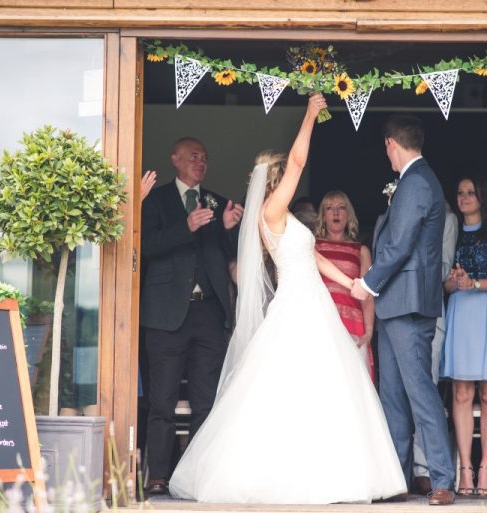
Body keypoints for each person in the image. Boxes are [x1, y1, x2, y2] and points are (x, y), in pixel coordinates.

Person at [168, 94, 406, 504]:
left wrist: (352, 283)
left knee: (321, 389)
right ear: (278, 180)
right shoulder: (272, 211)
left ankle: (325, 473)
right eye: (288, 175)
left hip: (314, 302)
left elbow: (312, 255)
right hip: (298, 308)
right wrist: (310, 116)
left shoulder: (288, 218)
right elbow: (298, 162)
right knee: (296, 388)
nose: (295, 176)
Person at [351, 114, 456, 506]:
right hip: (396, 304)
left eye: (387, 150)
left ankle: (442, 478)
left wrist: (367, 282)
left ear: (391, 144)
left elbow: (399, 244)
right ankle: (398, 477)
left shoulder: (416, 182)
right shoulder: (415, 181)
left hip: (409, 303)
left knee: (420, 392)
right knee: (393, 394)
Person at [140, 136, 244, 495]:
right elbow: (146, 248)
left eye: (205, 157)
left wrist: (229, 229)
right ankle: (158, 475)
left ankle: (194, 475)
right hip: (166, 314)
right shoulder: (155, 200)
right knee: (162, 401)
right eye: (194, 156)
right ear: (176, 159)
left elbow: (227, 255)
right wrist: (186, 227)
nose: (201, 162)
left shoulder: (215, 201)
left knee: (205, 401)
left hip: (209, 313)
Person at [439, 177, 487, 497]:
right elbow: (442, 284)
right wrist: (455, 283)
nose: (464, 197)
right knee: (461, 392)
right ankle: (465, 469)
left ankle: (486, 467)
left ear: (481, 197)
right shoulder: (450, 231)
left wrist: (474, 284)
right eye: (460, 192)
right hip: (462, 311)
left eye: (470, 192)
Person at [412, 200, 458, 496]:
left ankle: (429, 468)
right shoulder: (389, 216)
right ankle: (410, 468)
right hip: (397, 312)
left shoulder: (447, 219)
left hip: (430, 311)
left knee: (425, 389)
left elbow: (442, 267)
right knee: (399, 395)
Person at [314, 190, 374, 381]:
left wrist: (370, 330)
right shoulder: (312, 247)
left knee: (350, 382)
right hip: (321, 320)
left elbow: (368, 293)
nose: (336, 213)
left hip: (352, 323)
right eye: (329, 208)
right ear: (323, 216)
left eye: (341, 208)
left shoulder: (361, 250)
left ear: (349, 215)